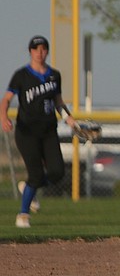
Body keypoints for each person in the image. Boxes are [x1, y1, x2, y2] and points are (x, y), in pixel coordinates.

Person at [2, 35, 79, 228]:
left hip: (48, 131)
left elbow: (58, 102)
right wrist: (3, 117)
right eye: (36, 49)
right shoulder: (21, 75)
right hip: (26, 132)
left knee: (57, 172)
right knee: (36, 174)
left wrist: (67, 117)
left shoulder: (54, 75)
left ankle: (28, 188)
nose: (40, 52)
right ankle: (23, 214)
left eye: (43, 49)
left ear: (47, 51)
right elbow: (6, 99)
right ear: (30, 52)